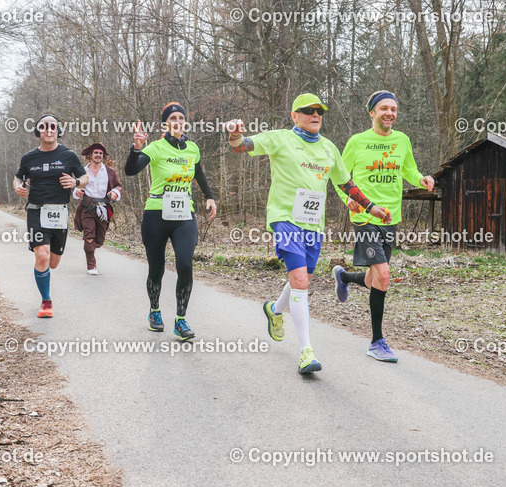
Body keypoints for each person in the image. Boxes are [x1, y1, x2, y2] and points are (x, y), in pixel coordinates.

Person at [226, 93, 391, 375]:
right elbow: (243, 146)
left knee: (301, 279)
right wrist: (234, 136)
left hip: (313, 224)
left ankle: (275, 310)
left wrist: (371, 207)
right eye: (308, 110)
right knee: (301, 281)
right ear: (294, 116)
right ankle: (306, 352)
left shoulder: (328, 148)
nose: (315, 115)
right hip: (285, 219)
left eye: (320, 111)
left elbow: (346, 183)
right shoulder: (281, 138)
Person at [332, 90, 435, 363]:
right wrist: (348, 201)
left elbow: (408, 170)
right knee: (385, 275)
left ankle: (343, 277)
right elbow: (339, 176)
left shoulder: (402, 140)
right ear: (372, 113)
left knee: (374, 279)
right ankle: (377, 341)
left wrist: (421, 179)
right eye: (384, 108)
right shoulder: (357, 142)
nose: (390, 113)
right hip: (365, 218)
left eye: (393, 109)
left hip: (391, 218)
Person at [125, 102, 216, 341]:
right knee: (157, 268)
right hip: (156, 214)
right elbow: (130, 171)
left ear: (184, 121)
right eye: (172, 118)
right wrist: (136, 148)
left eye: (180, 117)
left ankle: (181, 319)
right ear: (166, 123)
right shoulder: (155, 148)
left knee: (185, 264)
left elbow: (199, 173)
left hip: (184, 214)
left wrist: (210, 197)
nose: (177, 121)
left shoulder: (193, 148)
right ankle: (155, 312)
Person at [14, 114, 88, 318]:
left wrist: (76, 183)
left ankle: (43, 271)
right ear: (38, 131)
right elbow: (18, 177)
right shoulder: (29, 157)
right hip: (36, 210)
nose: (49, 130)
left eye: (53, 127)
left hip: (59, 212)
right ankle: (46, 302)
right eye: (44, 127)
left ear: (58, 131)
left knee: (53, 262)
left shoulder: (69, 155)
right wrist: (19, 187)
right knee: (42, 255)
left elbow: (84, 176)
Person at [72, 143, 122, 275]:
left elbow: (118, 186)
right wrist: (77, 193)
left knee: (99, 239)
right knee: (89, 235)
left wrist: (115, 193)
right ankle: (91, 264)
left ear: (103, 156)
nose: (98, 155)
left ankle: (91, 247)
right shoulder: (82, 171)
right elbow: (74, 187)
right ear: (90, 155)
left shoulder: (109, 171)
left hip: (103, 208)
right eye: (96, 153)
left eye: (100, 153)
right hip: (87, 207)